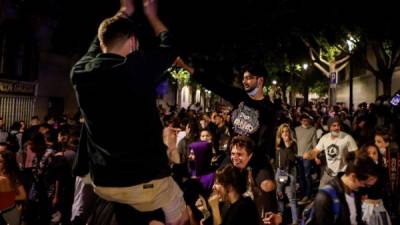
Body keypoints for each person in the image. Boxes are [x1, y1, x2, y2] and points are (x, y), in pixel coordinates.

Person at [69, 0, 188, 224]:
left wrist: (124, 12)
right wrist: (152, 16)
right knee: (182, 214)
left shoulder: (80, 72)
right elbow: (170, 46)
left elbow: (96, 46)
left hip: (103, 182)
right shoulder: (136, 67)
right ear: (133, 42)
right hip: (144, 182)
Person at [175, 59, 277, 171]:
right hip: (231, 156)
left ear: (260, 80)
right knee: (218, 183)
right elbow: (213, 84)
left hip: (252, 160)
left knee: (267, 185)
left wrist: (249, 162)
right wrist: (184, 66)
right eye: (243, 78)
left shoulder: (269, 110)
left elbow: (265, 144)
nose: (244, 81)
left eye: (248, 78)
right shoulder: (239, 96)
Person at [313, 152, 379, 225]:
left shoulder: (355, 192)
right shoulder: (325, 197)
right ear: (353, 176)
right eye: (365, 184)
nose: (364, 187)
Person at [304, 116, 358, 187]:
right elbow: (315, 151)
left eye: (338, 125)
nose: (336, 128)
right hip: (329, 173)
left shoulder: (347, 138)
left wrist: (352, 170)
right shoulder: (325, 138)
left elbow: (357, 155)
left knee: (340, 196)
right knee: (321, 193)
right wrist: (308, 155)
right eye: (334, 126)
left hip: (343, 173)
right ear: (329, 127)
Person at [0, 150, 26, 225]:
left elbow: (23, 196)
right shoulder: (13, 176)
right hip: (12, 210)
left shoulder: (3, 179)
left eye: (0, 161)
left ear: (6, 164)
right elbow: (23, 195)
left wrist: (7, 197)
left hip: (6, 214)